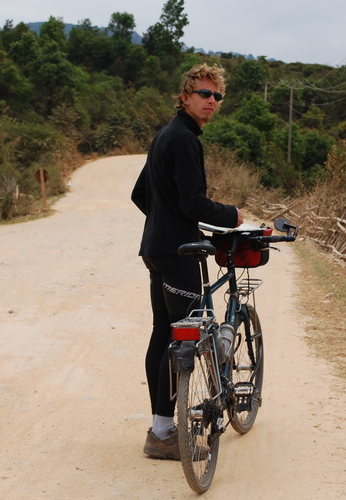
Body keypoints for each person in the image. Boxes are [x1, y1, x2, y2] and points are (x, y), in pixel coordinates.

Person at [131, 63, 243, 460]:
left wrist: (169, 223)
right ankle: (163, 433)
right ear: (185, 95)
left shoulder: (165, 134)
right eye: (204, 93)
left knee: (164, 333)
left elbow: (140, 195)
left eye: (217, 96)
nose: (211, 101)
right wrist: (232, 216)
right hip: (177, 254)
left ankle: (161, 425)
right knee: (181, 340)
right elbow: (194, 203)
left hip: (157, 249)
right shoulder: (184, 140)